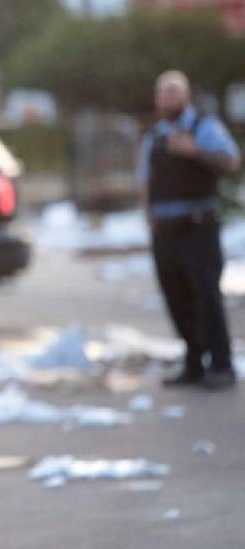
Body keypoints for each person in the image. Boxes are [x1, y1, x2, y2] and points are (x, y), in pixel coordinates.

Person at [137, 70, 241, 390]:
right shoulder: (154, 136)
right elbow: (144, 179)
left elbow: (231, 162)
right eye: (163, 93)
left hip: (198, 226)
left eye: (174, 92)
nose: (168, 99)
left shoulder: (204, 127)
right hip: (165, 228)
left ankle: (221, 364)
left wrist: (194, 150)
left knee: (206, 295)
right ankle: (194, 362)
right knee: (176, 296)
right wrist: (147, 215)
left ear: (186, 96)